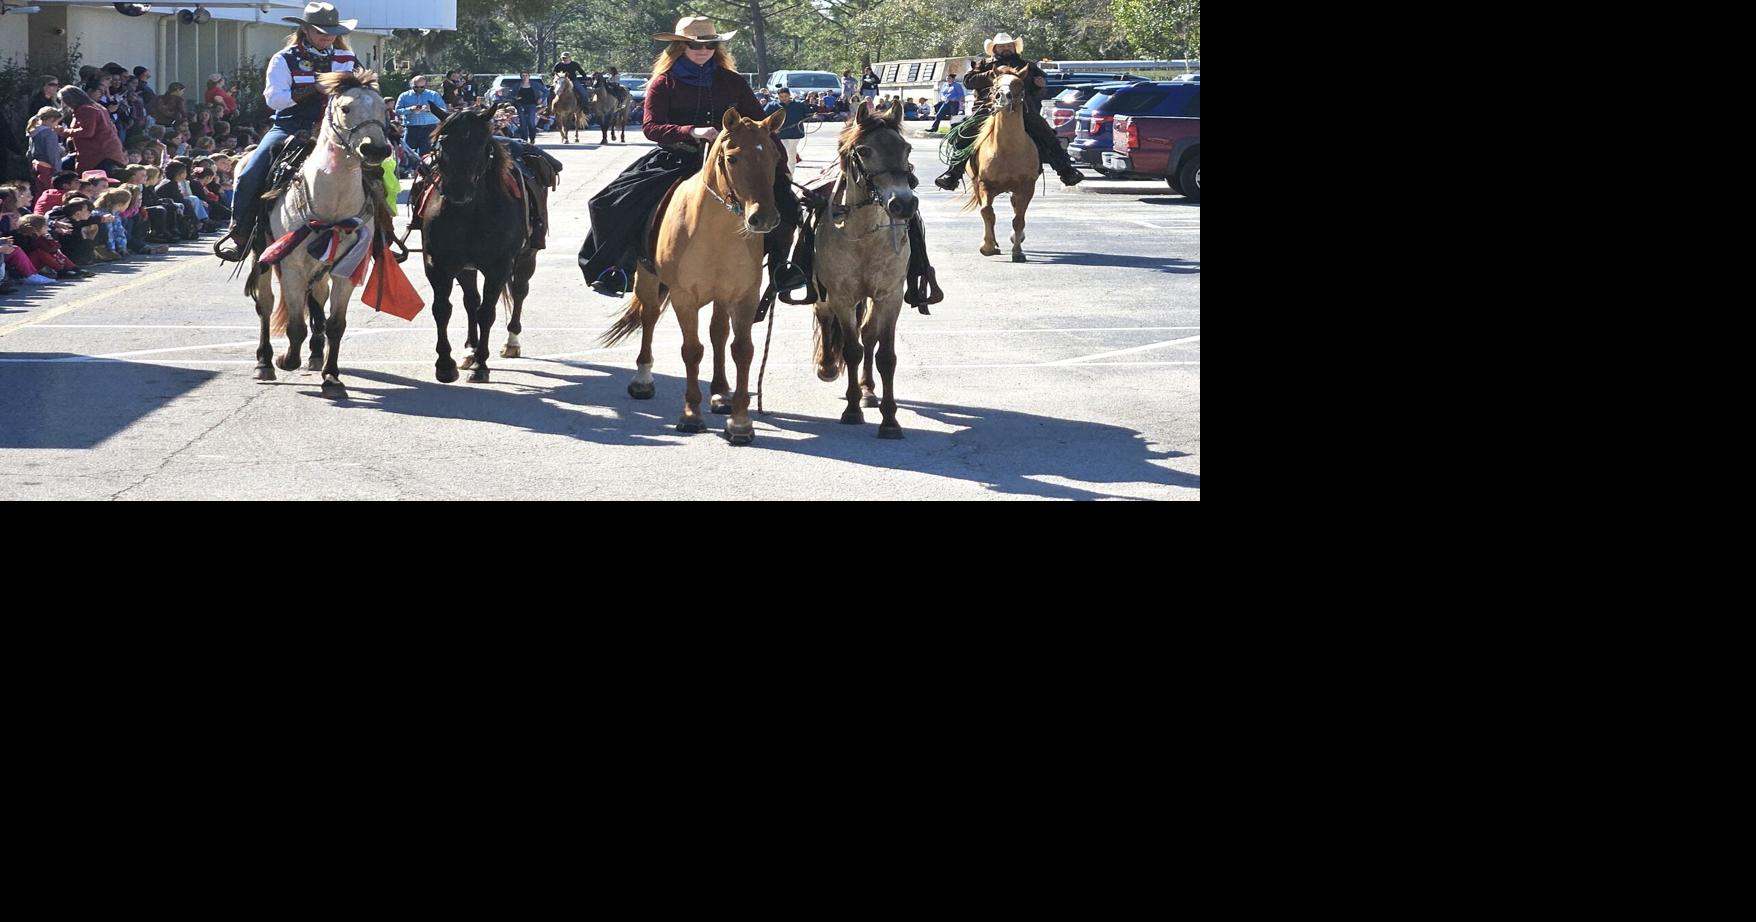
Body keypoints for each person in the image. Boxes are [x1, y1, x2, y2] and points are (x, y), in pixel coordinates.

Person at [577, 16, 804, 298]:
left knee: (788, 203)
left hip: (732, 162)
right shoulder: (663, 83)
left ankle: (781, 268)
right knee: (612, 202)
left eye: (709, 45)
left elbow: (761, 124)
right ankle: (619, 269)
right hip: (678, 158)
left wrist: (778, 165)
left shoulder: (732, 82)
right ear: (680, 47)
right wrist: (690, 131)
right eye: (694, 45)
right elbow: (651, 127)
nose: (703, 50)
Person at [214, 1, 360, 261]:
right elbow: (275, 99)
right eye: (319, 31)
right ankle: (239, 233)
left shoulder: (348, 59)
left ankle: (382, 236)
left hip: (339, 130)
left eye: (331, 31)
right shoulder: (285, 58)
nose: (326, 36)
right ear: (305, 30)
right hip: (292, 126)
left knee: (378, 170)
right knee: (251, 171)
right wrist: (314, 88)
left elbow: (364, 92)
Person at [934, 32, 1082, 190]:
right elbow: (968, 81)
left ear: (1015, 48)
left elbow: (1039, 92)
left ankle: (1066, 171)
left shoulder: (1029, 66)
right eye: (1002, 46)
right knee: (964, 135)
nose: (1006, 49)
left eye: (1009, 46)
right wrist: (992, 74)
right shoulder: (983, 65)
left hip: (1023, 110)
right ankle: (953, 174)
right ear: (995, 49)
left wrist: (1040, 86)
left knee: (1048, 136)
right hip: (987, 109)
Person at [395, 73, 447, 155]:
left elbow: (444, 110)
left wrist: (431, 109)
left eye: (422, 87)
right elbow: (397, 111)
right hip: (411, 129)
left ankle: (424, 168)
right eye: (416, 87)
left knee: (426, 154)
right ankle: (409, 168)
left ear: (426, 86)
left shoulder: (434, 95)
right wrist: (410, 109)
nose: (419, 89)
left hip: (429, 128)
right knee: (408, 153)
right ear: (411, 85)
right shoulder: (404, 96)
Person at [763, 86, 812, 169]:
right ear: (778, 96)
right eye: (781, 97)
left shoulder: (799, 104)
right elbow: (764, 118)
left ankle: (790, 176)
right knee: (783, 153)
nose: (784, 98)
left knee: (791, 154)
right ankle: (784, 172)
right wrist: (772, 128)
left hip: (795, 134)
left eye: (786, 96)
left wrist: (813, 115)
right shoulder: (772, 105)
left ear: (789, 95)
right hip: (779, 134)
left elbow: (807, 114)